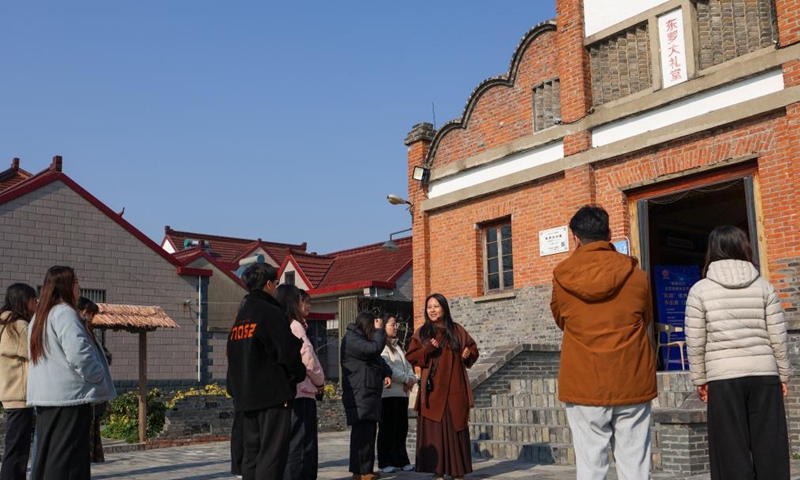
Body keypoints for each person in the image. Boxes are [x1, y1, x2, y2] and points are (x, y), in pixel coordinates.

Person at [550, 206, 656, 480]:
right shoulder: (637, 275)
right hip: (631, 376)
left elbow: (561, 319)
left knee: (590, 466)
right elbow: (646, 319)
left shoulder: (562, 276)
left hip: (583, 378)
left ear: (574, 237)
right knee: (635, 464)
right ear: (609, 234)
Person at [684, 225, 791, 480]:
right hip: (764, 375)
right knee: (771, 447)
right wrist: (783, 374)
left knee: (729, 449)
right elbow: (778, 335)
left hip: (723, 377)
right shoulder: (764, 286)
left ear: (712, 251)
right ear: (745, 248)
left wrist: (700, 379)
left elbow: (696, 341)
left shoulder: (700, 290)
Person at [27, 266, 116, 480]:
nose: (79, 287)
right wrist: (98, 376)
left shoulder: (40, 316)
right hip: (70, 398)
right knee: (69, 458)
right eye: (76, 282)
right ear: (66, 285)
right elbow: (79, 355)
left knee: (49, 455)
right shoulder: (65, 313)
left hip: (46, 397)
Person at [226, 263, 305, 480]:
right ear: (269, 284)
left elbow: (232, 359)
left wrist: (234, 389)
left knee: (252, 455)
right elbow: (287, 352)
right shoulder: (270, 313)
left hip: (245, 398)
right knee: (272, 456)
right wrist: (297, 374)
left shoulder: (240, 317)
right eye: (276, 283)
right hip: (272, 395)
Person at [406, 294, 479, 480]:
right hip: (433, 391)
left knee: (456, 429)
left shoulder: (457, 330)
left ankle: (457, 472)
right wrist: (428, 350)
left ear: (444, 308)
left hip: (455, 387)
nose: (432, 310)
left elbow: (472, 349)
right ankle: (438, 472)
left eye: (436, 306)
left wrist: (467, 354)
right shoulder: (422, 333)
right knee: (435, 433)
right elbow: (412, 356)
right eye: (429, 307)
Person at [276, 284, 325, 480]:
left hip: (283, 393)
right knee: (302, 445)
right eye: (301, 300)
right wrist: (320, 382)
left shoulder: (276, 325)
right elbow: (309, 360)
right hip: (302, 392)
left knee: (289, 445)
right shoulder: (294, 326)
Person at [341, 311, 391, 480]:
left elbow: (379, 360)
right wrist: (379, 331)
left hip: (368, 392)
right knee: (361, 434)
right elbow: (373, 350)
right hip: (359, 393)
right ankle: (359, 471)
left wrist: (387, 373)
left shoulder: (362, 339)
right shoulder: (352, 339)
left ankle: (366, 469)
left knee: (369, 432)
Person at [0, 283, 37, 480]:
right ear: (23, 300)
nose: (36, 303)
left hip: (9, 391)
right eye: (33, 299)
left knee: (15, 447)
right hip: (19, 394)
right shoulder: (19, 325)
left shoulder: (4, 322)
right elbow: (35, 353)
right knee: (17, 449)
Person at [377, 313, 417, 474]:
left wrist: (412, 378)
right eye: (392, 324)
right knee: (387, 428)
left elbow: (407, 365)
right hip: (388, 394)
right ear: (384, 326)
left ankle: (401, 459)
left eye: (396, 325)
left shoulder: (398, 346)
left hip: (401, 393)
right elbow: (388, 368)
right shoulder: (381, 346)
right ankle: (385, 461)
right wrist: (407, 379)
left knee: (401, 428)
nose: (395, 328)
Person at [76, 297, 112, 463]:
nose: (89, 317)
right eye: (88, 313)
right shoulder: (75, 330)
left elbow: (106, 356)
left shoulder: (91, 332)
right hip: (84, 392)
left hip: (95, 392)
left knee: (92, 431)